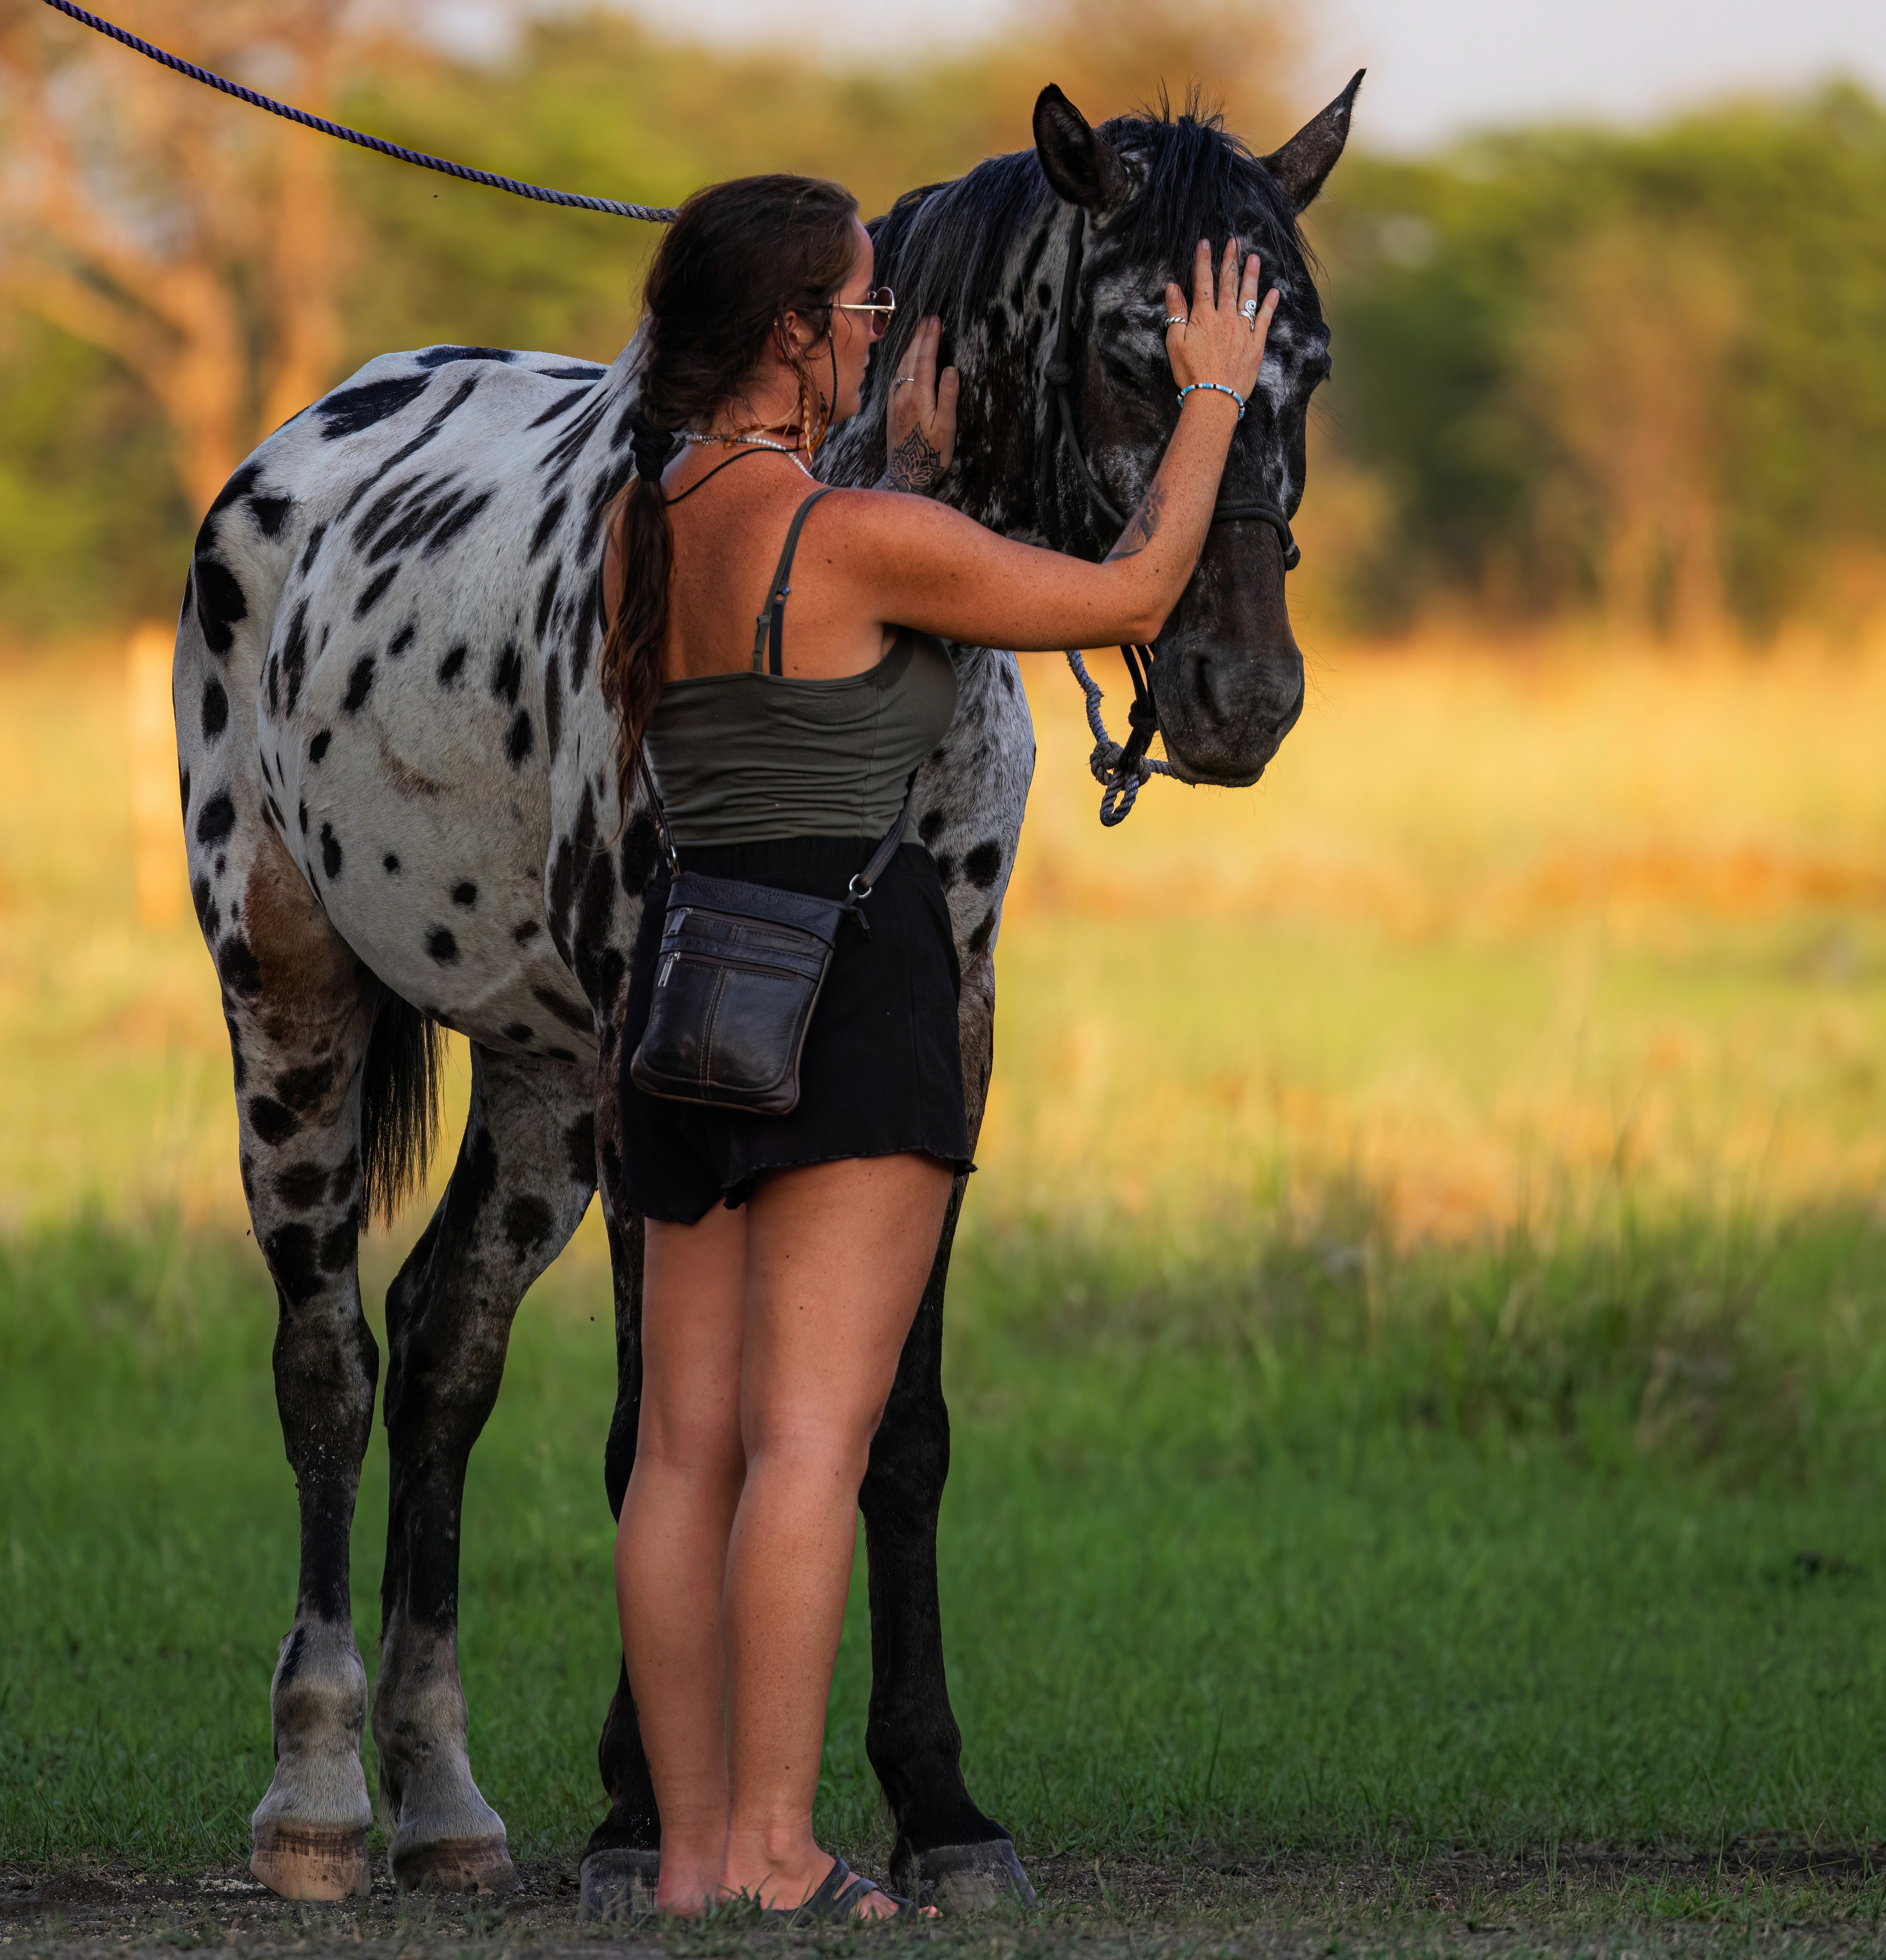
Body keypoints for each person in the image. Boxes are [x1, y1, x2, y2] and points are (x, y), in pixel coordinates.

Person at [602, 172, 1276, 1921]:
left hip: (682, 988)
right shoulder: (860, 541)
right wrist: (1211, 394)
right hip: (851, 990)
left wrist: (892, 466)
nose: (884, 325)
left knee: (681, 1450)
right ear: (791, 336)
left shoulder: (647, 522)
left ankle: (690, 1860)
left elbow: (795, 637)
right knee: (812, 1448)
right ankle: (781, 1853)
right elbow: (1138, 588)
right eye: (861, 304)